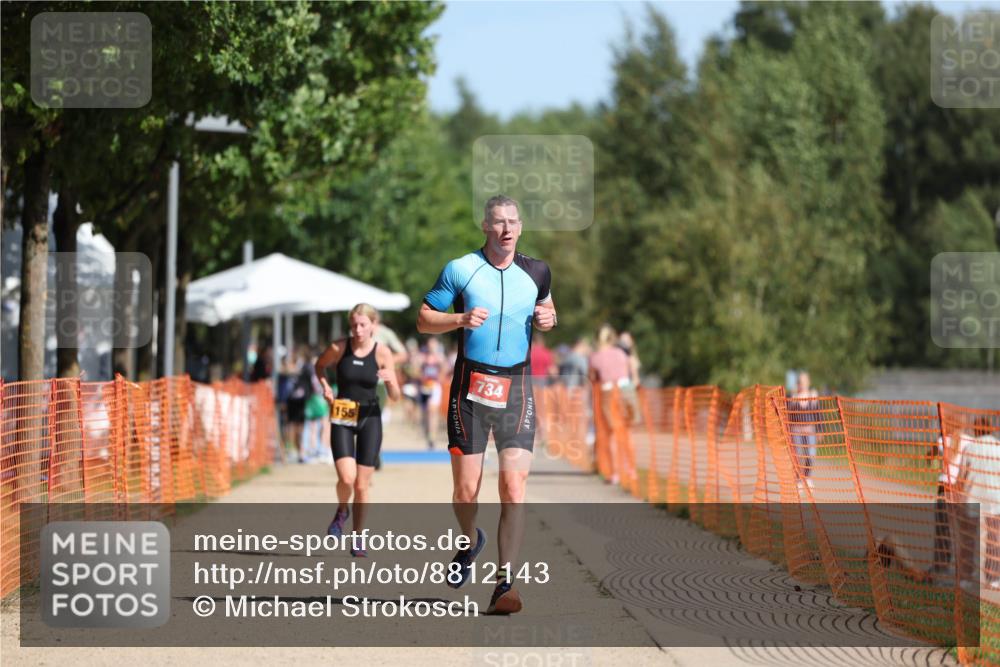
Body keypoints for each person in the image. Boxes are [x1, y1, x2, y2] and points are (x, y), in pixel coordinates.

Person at [417, 194, 556, 615]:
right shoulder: (461, 269)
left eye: (513, 222)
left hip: (516, 387)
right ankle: (469, 537)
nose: (507, 229)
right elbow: (424, 319)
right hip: (470, 389)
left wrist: (550, 318)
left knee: (514, 487)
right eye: (498, 222)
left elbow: (546, 309)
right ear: (485, 226)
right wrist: (458, 319)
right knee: (465, 489)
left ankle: (505, 583)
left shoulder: (537, 271)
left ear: (521, 226)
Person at [315, 303, 401, 556]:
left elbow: (395, 396)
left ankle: (359, 537)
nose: (358, 330)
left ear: (374, 326)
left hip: (369, 417)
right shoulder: (339, 348)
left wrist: (390, 381)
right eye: (354, 325)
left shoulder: (383, 352)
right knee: (346, 478)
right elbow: (319, 366)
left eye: (363, 325)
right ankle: (343, 510)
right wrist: (326, 387)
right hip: (343, 412)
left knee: (362, 485)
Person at [588, 324, 631, 484]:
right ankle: (629, 468)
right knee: (624, 431)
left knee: (610, 434)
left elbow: (592, 378)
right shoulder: (621, 353)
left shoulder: (595, 356)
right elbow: (628, 372)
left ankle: (614, 472)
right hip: (626, 392)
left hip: (606, 394)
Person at [789, 371, 819, 488]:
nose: (802, 384)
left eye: (804, 381)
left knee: (810, 455)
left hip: (809, 430)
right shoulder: (793, 397)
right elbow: (789, 416)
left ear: (808, 382)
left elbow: (818, 414)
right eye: (800, 382)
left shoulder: (813, 396)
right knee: (798, 456)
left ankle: (807, 478)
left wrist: (820, 430)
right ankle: (798, 479)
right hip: (796, 430)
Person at [417, 337, 446, 449]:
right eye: (430, 345)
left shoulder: (439, 357)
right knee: (425, 413)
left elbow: (444, 369)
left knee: (432, 411)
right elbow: (416, 369)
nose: (431, 347)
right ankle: (427, 434)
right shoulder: (422, 357)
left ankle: (432, 438)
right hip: (424, 386)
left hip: (434, 387)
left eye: (434, 345)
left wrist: (439, 377)